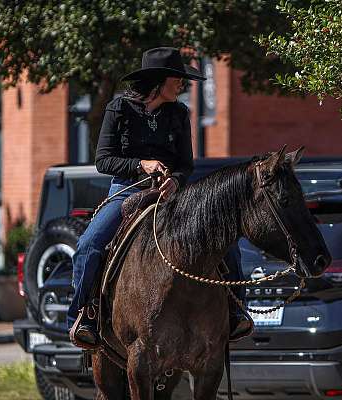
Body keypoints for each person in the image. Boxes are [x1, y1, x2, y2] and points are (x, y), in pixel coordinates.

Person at [68, 47, 253, 348]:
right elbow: (103, 160)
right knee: (89, 244)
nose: (182, 85)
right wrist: (141, 165)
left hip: (171, 195)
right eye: (177, 79)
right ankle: (83, 315)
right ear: (158, 81)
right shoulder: (119, 109)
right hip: (127, 189)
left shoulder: (179, 113)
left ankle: (235, 312)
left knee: (226, 242)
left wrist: (175, 183)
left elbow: (185, 164)